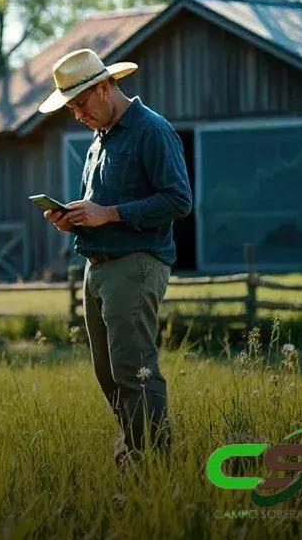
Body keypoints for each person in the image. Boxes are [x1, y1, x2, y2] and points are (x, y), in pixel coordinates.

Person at [36, 48, 192, 466]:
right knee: (107, 372)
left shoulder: (151, 130)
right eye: (70, 108)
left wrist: (109, 214)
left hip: (136, 264)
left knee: (134, 369)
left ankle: (152, 462)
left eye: (81, 104)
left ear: (104, 88)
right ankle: (133, 452)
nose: (77, 115)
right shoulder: (99, 138)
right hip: (98, 266)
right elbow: (104, 207)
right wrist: (76, 218)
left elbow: (178, 200)